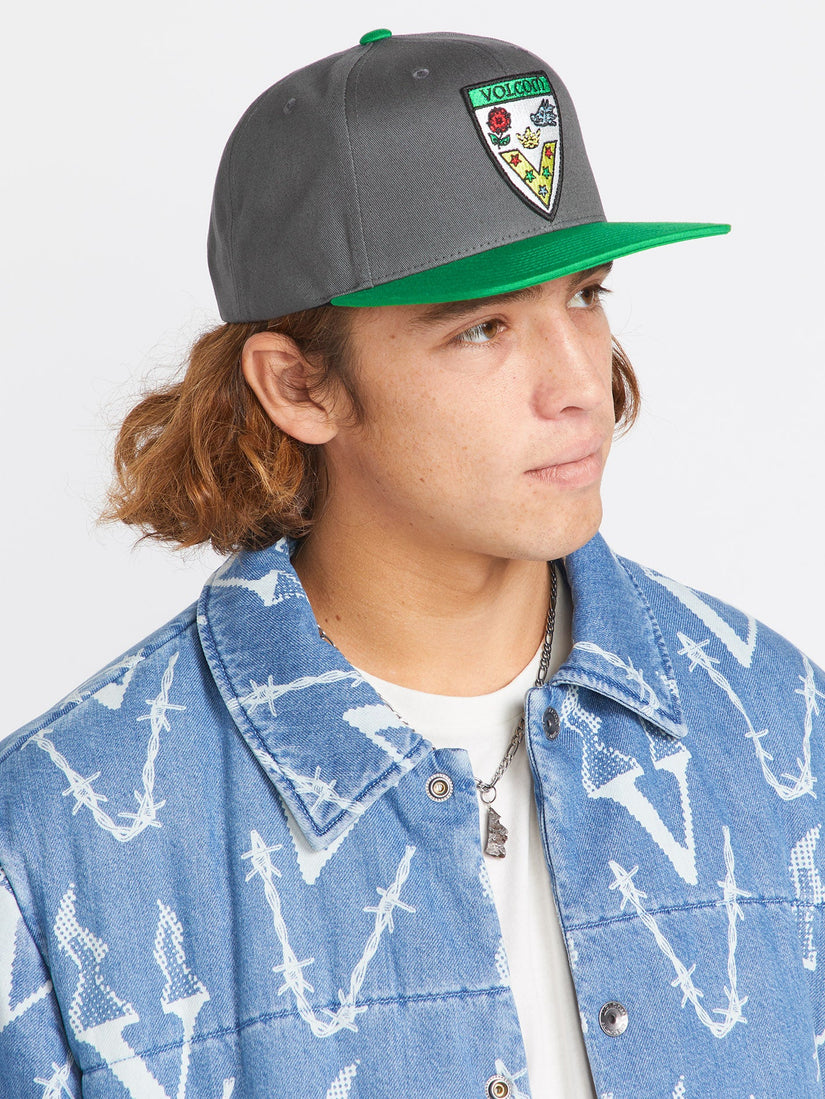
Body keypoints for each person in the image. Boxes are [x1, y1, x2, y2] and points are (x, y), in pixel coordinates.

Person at [0, 27, 821, 1099]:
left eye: (584, 295)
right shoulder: (64, 834)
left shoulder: (774, 725)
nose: (580, 383)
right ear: (298, 386)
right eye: (481, 328)